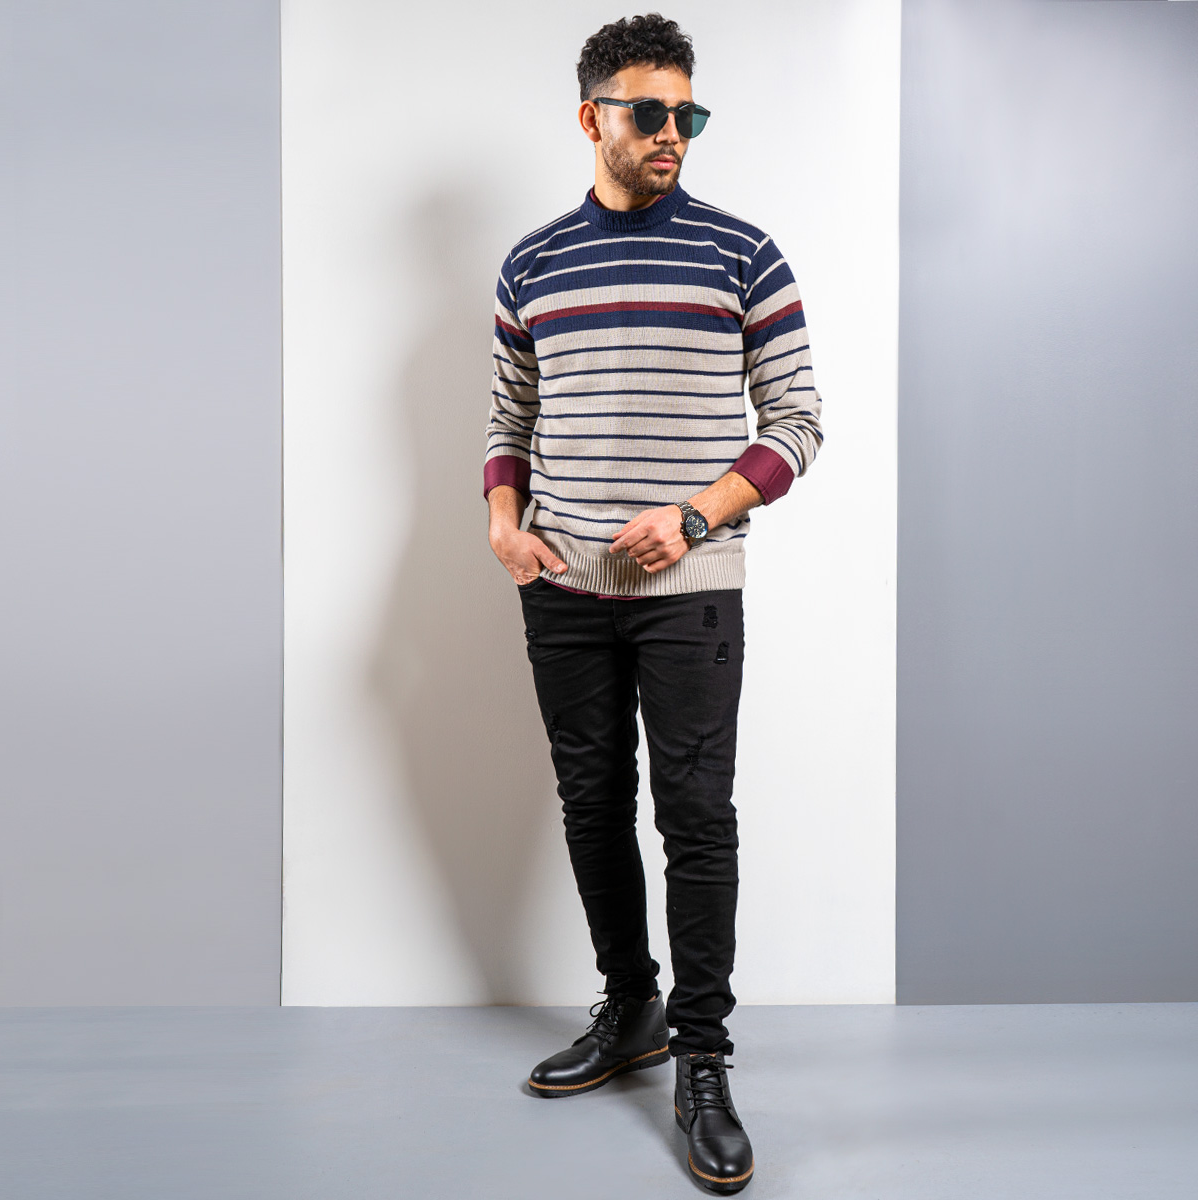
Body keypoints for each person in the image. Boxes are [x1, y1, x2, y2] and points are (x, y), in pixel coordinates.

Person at [482, 12, 823, 1194]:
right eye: (650, 111)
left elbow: (798, 423)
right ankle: (630, 1007)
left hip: (691, 589)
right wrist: (502, 524)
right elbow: (508, 416)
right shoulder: (532, 264)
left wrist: (696, 515)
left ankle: (704, 1061)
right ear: (593, 118)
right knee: (591, 801)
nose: (673, 131)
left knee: (695, 815)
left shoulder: (744, 253)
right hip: (562, 586)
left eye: (689, 112)